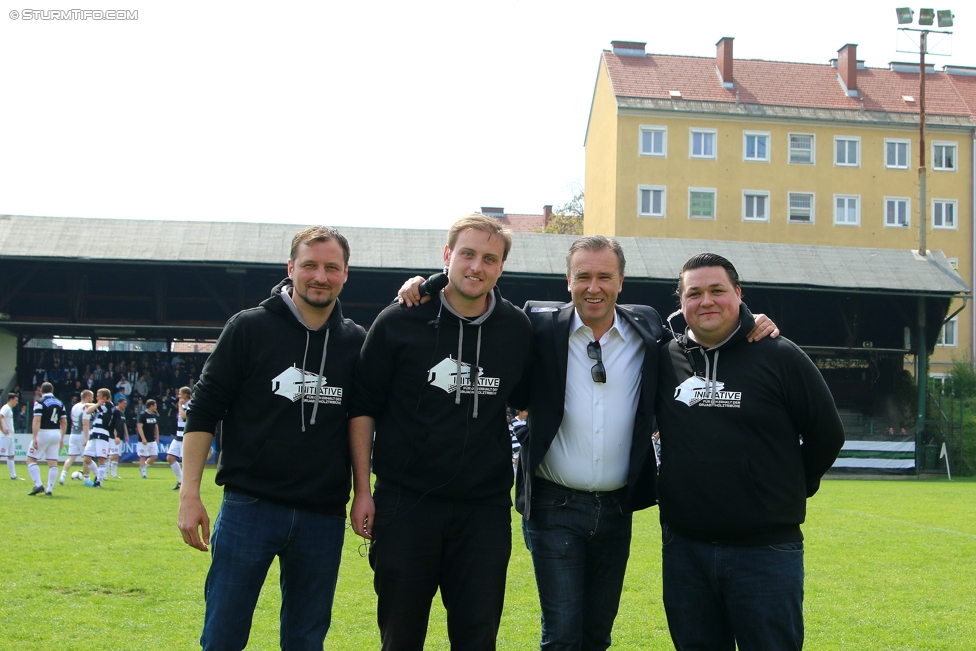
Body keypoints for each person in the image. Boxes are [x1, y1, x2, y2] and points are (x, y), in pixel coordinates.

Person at [397, 236, 777, 651]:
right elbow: (480, 304)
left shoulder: (648, 327)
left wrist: (751, 320)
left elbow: (705, 326)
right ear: (568, 280)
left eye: (604, 277)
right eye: (583, 276)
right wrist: (430, 285)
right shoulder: (538, 326)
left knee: (597, 635)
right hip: (553, 506)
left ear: (620, 281)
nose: (593, 287)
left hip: (617, 508)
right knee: (561, 635)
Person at [177, 226, 366, 651]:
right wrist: (189, 494)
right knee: (223, 635)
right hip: (250, 507)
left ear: (345, 274)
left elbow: (361, 423)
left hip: (323, 515)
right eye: (310, 265)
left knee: (306, 640)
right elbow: (204, 411)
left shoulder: (356, 342)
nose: (320, 276)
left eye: (331, 267)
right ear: (290, 268)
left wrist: (364, 493)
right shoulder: (249, 328)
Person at [349, 214, 533, 650]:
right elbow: (362, 409)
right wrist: (362, 490)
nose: (476, 266)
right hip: (405, 503)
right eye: (467, 254)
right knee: (401, 636)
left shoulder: (515, 328)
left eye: (490, 258)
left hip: (483, 510)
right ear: (447, 255)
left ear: (501, 266)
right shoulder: (399, 319)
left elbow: (529, 397)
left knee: (477, 637)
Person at [655, 253, 845, 651]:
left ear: (738, 294)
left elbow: (827, 434)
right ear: (681, 303)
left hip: (765, 552)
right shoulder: (664, 358)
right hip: (685, 551)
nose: (706, 301)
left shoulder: (780, 355)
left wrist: (794, 485)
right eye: (694, 293)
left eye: (717, 290)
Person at [27, 382, 67, 496]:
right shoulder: (60, 403)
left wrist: (34, 437)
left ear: (41, 391)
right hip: (56, 433)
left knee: (30, 459)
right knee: (53, 463)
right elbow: (64, 422)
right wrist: (61, 438)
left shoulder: (39, 402)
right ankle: (49, 489)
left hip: (43, 432)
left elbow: (37, 420)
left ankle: (39, 485)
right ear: (52, 391)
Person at [82, 388, 118, 488]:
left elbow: (88, 411)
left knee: (101, 459)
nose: (97, 398)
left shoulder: (108, 405)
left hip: (102, 434)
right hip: (94, 433)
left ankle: (99, 482)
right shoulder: (102, 405)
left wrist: (93, 404)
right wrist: (94, 404)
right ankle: (99, 475)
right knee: (86, 458)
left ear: (105, 398)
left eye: (99, 396)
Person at [60, 389, 93, 485]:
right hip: (81, 434)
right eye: (92, 397)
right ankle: (87, 480)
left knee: (71, 458)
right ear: (87, 397)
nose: (92, 399)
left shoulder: (74, 406)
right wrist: (87, 438)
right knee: (86, 458)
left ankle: (62, 476)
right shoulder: (85, 408)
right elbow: (85, 424)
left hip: (73, 433)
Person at [167, 387, 191, 490]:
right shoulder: (183, 405)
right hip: (178, 436)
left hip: (185, 436)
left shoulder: (190, 404)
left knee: (185, 462)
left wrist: (179, 406)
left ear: (185, 395)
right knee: (170, 457)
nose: (178, 396)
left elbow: (184, 416)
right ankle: (181, 480)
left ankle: (187, 484)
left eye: (180, 394)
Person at [1, 393, 24, 480]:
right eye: (16, 400)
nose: (17, 402)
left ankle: (13, 476)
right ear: (11, 399)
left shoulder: (9, 409)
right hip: (4, 436)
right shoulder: (6, 408)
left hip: (10, 436)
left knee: (11, 456)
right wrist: (2, 429)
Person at [137, 399, 160, 478]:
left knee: (154, 456)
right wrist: (143, 438)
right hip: (144, 440)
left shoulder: (153, 415)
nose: (156, 407)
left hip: (152, 440)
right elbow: (139, 427)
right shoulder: (143, 415)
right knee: (143, 456)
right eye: (155, 405)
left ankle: (143, 467)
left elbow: (156, 427)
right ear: (151, 406)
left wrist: (157, 438)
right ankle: (143, 473)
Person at [106, 396, 129, 479]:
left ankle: (113, 474)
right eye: (124, 403)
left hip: (121, 436)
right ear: (119, 403)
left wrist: (126, 435)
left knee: (117, 456)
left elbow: (123, 424)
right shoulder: (115, 411)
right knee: (113, 455)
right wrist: (116, 436)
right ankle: (105, 471)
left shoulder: (122, 413)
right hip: (114, 437)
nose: (125, 405)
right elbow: (114, 425)